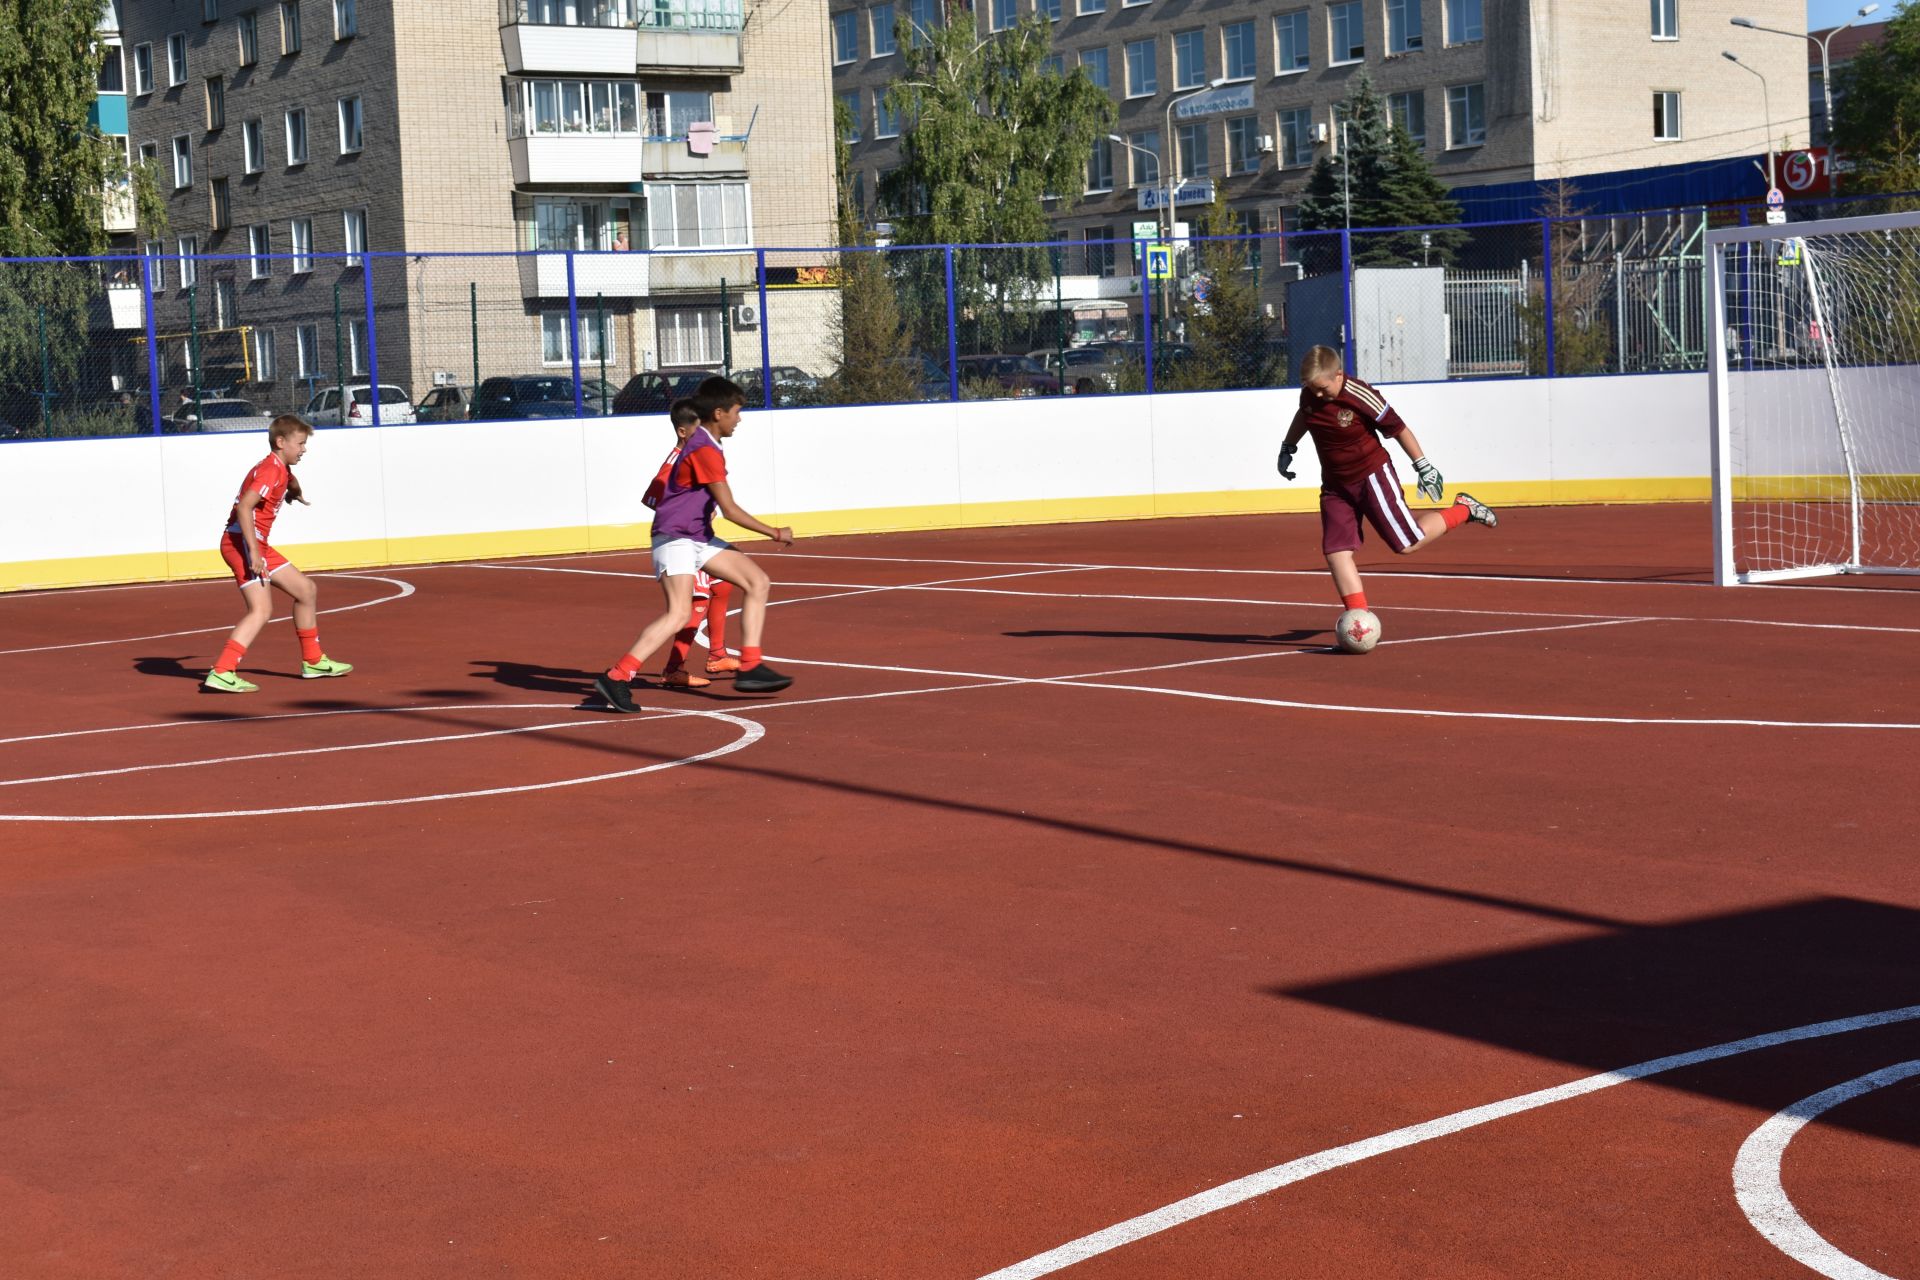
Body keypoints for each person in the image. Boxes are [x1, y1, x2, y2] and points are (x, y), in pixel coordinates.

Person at [594, 379, 793, 709]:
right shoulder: (703, 449)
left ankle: (751, 666)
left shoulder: (708, 443)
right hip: (675, 538)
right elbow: (729, 510)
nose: (739, 419)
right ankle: (616, 677)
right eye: (736, 412)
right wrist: (774, 532)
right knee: (678, 614)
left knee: (758, 581)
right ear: (719, 413)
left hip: (697, 537)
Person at [1277, 345, 1498, 617]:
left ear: (1338, 375)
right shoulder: (1311, 395)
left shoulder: (1360, 395)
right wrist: (1288, 446)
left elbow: (1398, 428)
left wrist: (1423, 466)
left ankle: (1464, 509)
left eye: (1323, 388)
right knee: (1336, 551)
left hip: (1371, 476)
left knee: (1407, 544)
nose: (1318, 394)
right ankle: (1360, 619)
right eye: (1312, 388)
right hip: (1335, 486)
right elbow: (1305, 415)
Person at [203, 415, 353, 692]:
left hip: (255, 545)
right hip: (241, 544)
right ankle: (222, 671)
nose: (304, 449)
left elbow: (290, 481)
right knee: (261, 609)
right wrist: (253, 553)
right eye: (300, 444)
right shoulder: (270, 471)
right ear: (281, 442)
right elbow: (244, 507)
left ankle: (313, 661)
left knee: (306, 590)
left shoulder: (280, 469)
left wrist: (294, 492)